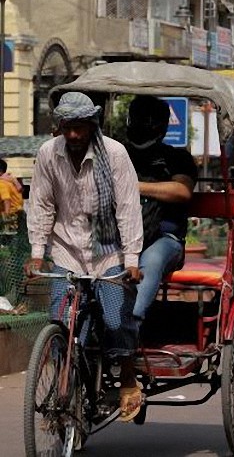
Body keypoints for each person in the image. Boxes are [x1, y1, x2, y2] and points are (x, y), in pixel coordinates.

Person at [25, 91, 144, 420]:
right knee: (61, 324)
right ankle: (67, 391)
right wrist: (37, 254)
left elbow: (128, 209)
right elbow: (41, 205)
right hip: (65, 250)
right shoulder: (49, 154)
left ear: (92, 125)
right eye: (68, 128)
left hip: (107, 250)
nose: (74, 135)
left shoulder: (115, 154)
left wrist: (132, 260)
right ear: (60, 126)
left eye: (80, 127)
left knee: (114, 318)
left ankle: (129, 380)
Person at [124, 95, 197, 324]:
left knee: (152, 260)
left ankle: (131, 324)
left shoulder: (178, 157)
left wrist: (135, 187)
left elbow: (182, 190)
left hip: (165, 239)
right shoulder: (119, 153)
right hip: (119, 232)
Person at [0, 158, 23, 232]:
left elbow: (7, 200)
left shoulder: (2, 183)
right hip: (18, 213)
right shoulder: (9, 180)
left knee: (7, 237)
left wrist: (6, 219)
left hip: (10, 215)